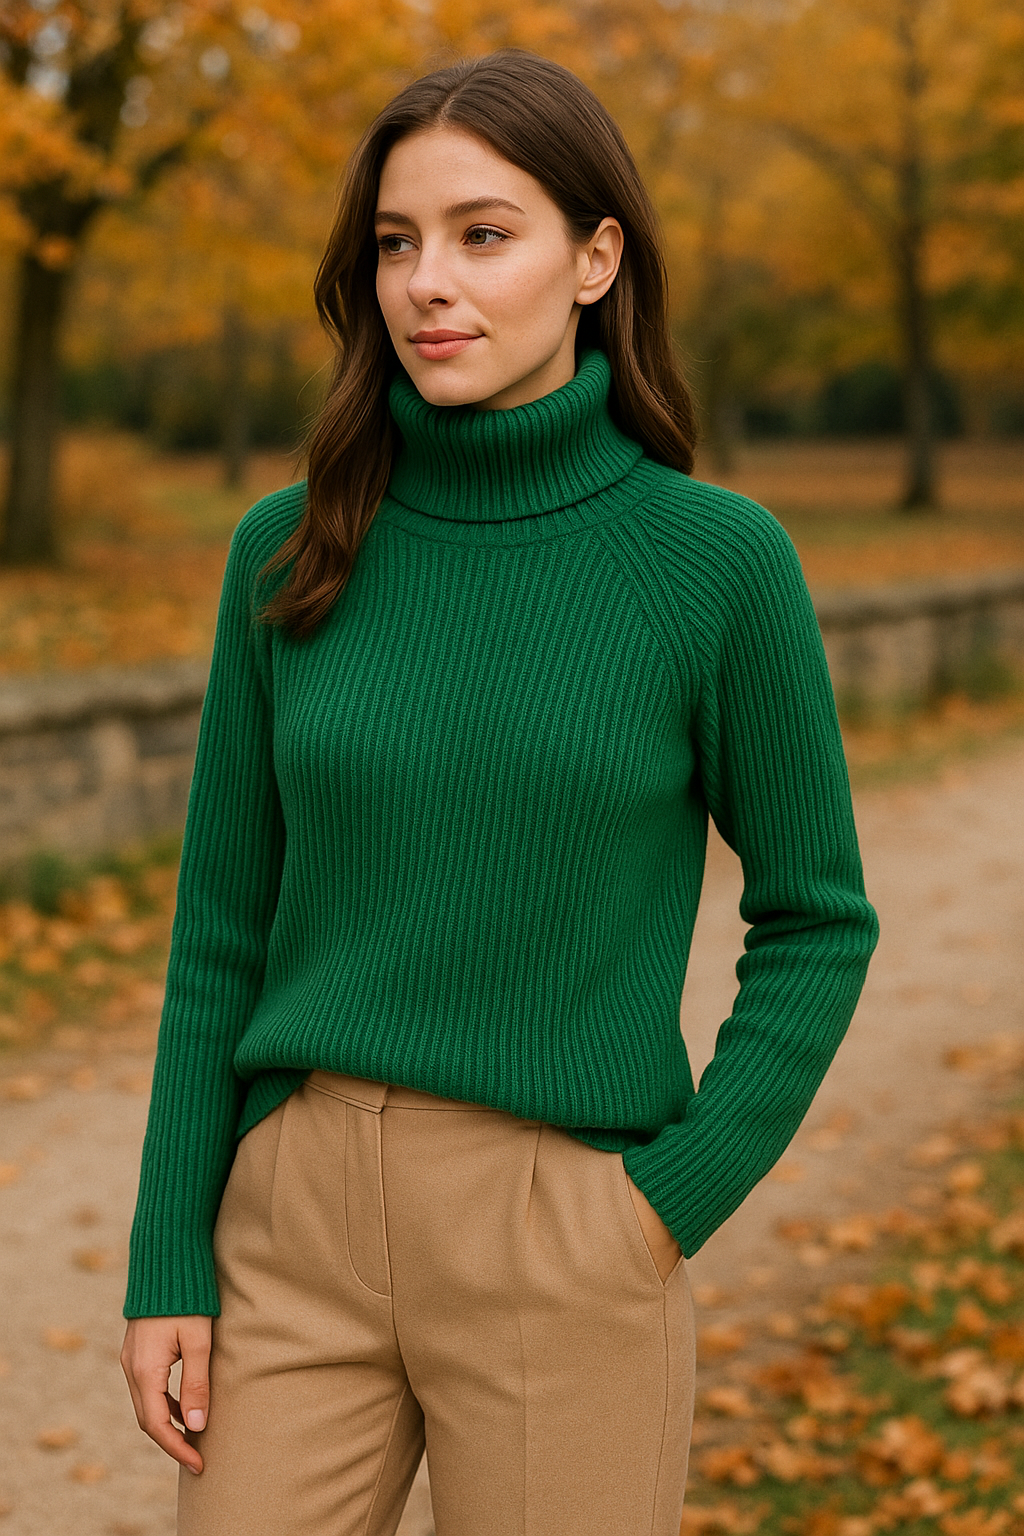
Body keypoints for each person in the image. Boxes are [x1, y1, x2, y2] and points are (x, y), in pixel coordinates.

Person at [120, 48, 879, 1536]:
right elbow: (221, 928)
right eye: (397, 244)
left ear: (597, 257)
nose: (427, 284)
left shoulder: (713, 564)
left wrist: (660, 1208)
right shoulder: (287, 548)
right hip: (295, 1220)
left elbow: (815, 918)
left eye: (484, 234)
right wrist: (169, 1262)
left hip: (563, 1232)